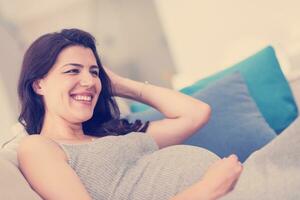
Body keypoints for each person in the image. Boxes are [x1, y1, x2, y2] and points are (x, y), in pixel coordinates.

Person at [16, 28, 300, 200]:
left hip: (237, 185)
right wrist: (208, 188)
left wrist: (121, 85)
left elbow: (196, 113)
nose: (89, 81)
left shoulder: (109, 132)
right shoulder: (38, 148)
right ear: (39, 83)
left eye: (94, 71)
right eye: (72, 71)